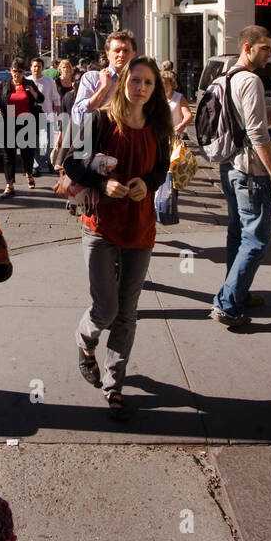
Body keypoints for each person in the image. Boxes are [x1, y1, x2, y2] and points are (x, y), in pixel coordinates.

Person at [63, 56, 173, 419]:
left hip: (139, 226)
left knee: (127, 313)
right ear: (124, 81)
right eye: (135, 80)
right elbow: (71, 162)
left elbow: (160, 169)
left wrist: (148, 183)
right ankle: (85, 342)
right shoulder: (100, 120)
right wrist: (102, 182)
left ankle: (114, 386)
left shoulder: (158, 126)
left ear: (155, 90)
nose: (139, 88)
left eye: (148, 83)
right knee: (105, 308)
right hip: (100, 224)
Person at [210, 26, 271, 329]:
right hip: (250, 171)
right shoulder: (251, 80)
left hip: (230, 167)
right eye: (266, 48)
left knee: (238, 234)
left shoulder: (223, 79)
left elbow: (247, 125)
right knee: (257, 239)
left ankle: (237, 294)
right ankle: (228, 304)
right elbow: (258, 135)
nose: (270, 54)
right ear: (248, 47)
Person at [0, 60, 43, 198]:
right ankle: (10, 185)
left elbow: (41, 99)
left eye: (20, 72)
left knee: (27, 154)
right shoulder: (4, 85)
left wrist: (32, 91)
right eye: (15, 71)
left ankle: (29, 173)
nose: (17, 74)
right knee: (9, 155)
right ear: (11, 70)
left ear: (23, 73)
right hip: (8, 123)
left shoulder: (29, 84)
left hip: (27, 124)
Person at [72, 30, 136, 127]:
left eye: (126, 51)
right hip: (100, 139)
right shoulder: (92, 79)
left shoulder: (140, 82)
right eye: (117, 50)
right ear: (108, 54)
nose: (121, 55)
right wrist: (104, 88)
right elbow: (78, 118)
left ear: (133, 54)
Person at [27, 57, 61, 176]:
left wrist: (58, 114)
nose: (36, 68)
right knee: (35, 142)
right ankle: (36, 166)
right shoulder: (26, 81)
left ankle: (48, 161)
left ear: (42, 68)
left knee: (49, 142)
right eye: (34, 66)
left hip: (48, 115)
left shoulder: (49, 81)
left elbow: (56, 98)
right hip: (32, 118)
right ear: (31, 68)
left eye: (39, 66)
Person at [160, 68, 193, 136]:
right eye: (161, 84)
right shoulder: (156, 97)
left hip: (174, 136)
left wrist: (182, 125)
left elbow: (188, 115)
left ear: (172, 84)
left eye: (166, 83)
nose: (164, 87)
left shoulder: (179, 97)